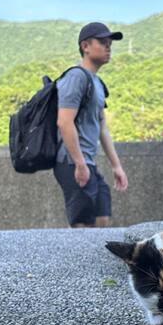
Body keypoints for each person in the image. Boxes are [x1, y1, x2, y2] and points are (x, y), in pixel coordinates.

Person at [53, 22, 129, 228]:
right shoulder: (76, 77)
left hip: (88, 163)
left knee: (101, 219)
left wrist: (117, 166)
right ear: (85, 46)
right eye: (103, 42)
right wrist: (79, 163)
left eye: (110, 43)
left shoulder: (96, 83)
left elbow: (102, 128)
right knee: (83, 227)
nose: (108, 47)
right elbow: (64, 121)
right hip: (71, 162)